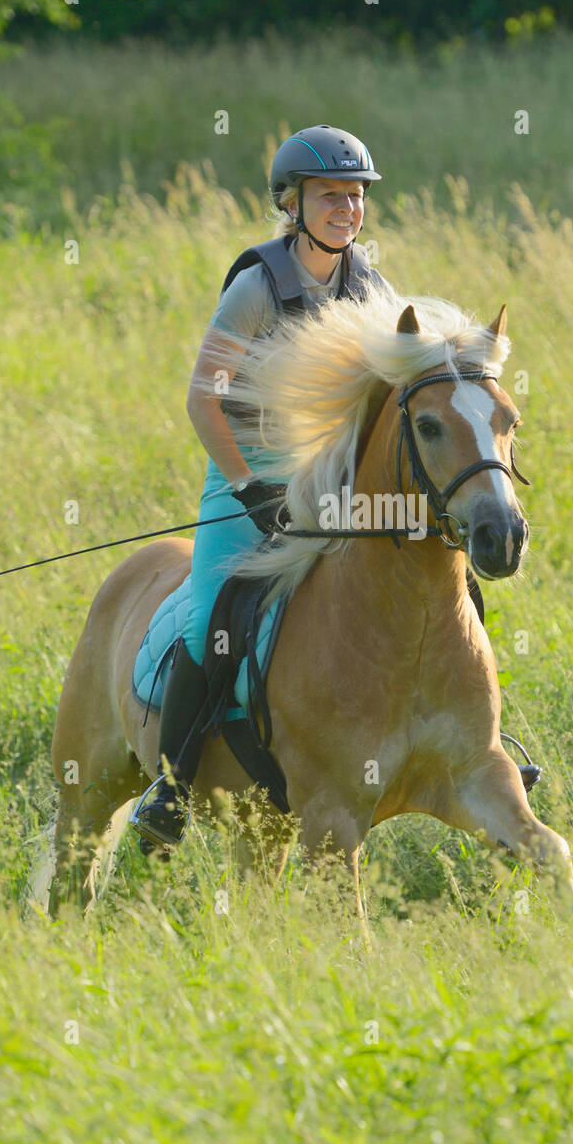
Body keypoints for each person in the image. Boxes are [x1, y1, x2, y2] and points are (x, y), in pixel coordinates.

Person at [136, 125, 389, 851]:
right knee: (211, 616)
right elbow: (202, 399)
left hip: (327, 475)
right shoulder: (257, 286)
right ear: (291, 201)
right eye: (330, 195)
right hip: (246, 473)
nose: (347, 207)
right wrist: (248, 488)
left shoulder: (369, 284)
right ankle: (173, 787)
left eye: (356, 195)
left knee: (435, 577)